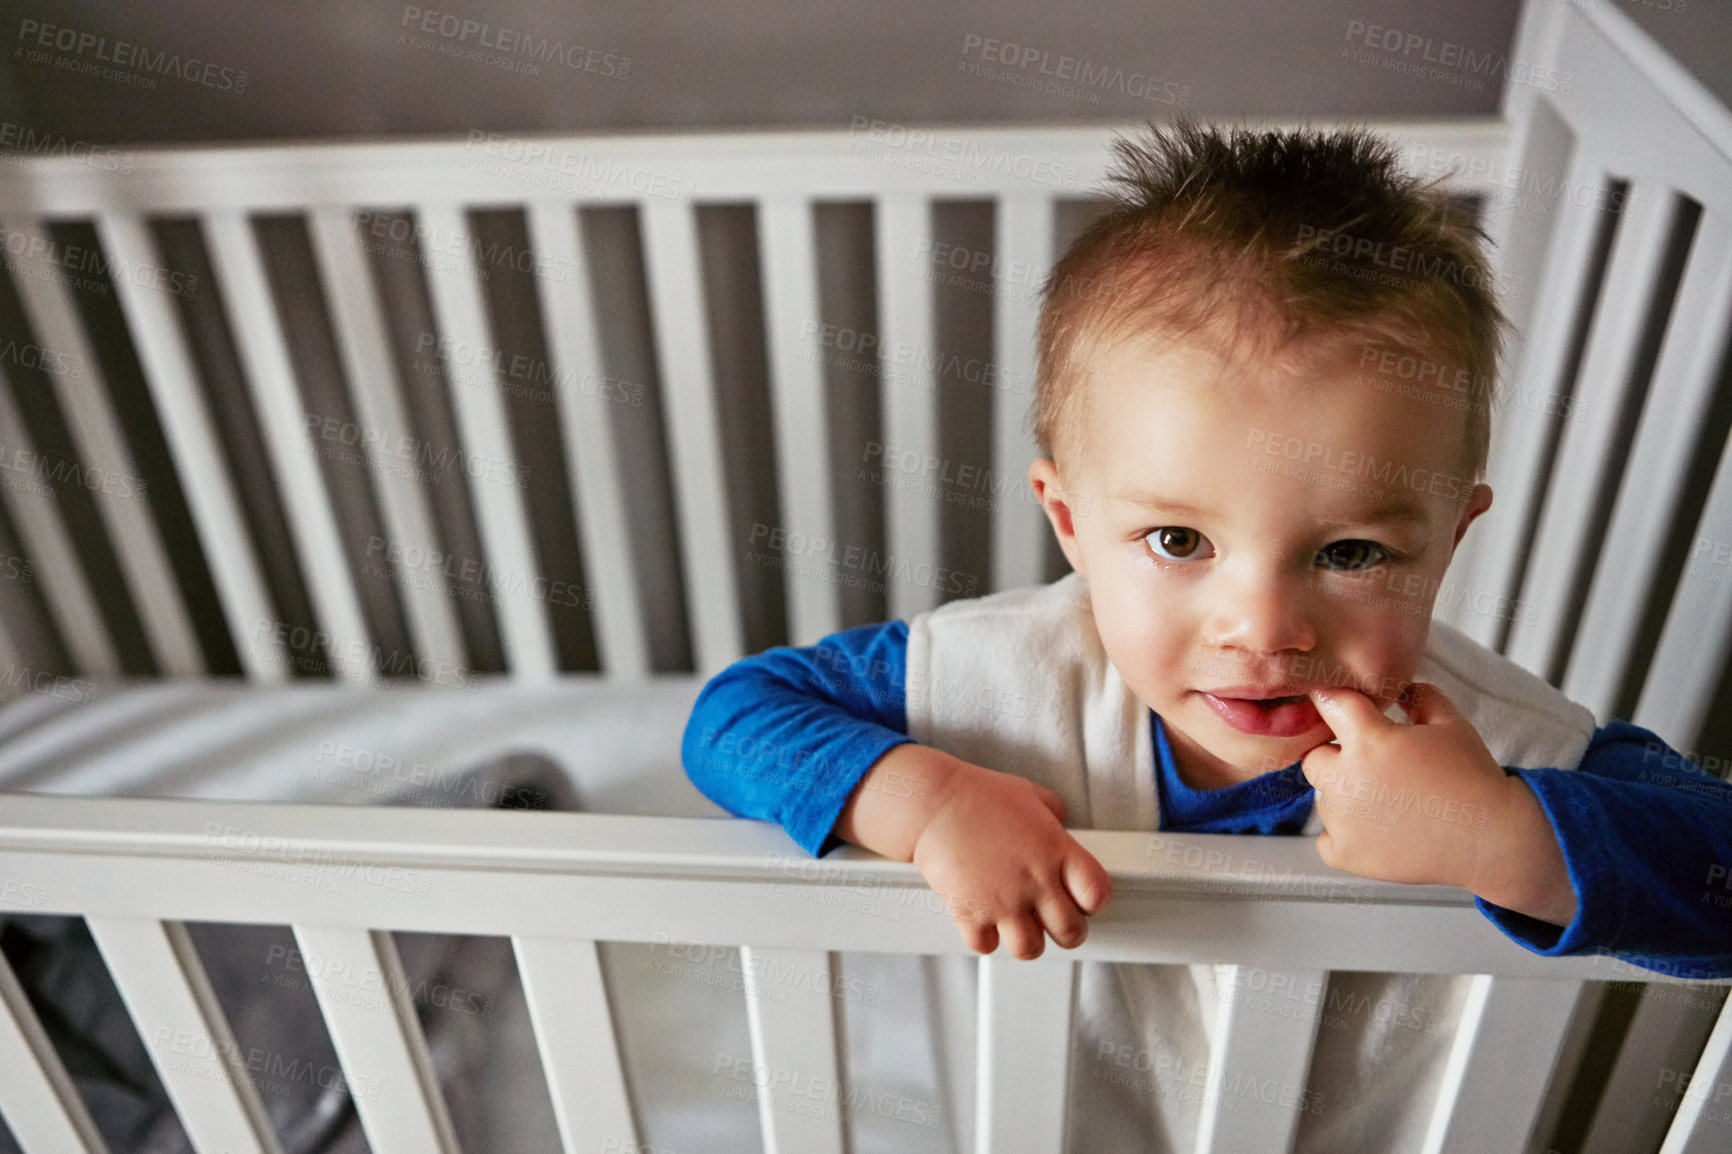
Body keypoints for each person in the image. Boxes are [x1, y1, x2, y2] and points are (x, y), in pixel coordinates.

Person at [682, 118, 1732, 1150]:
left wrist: (1505, 835)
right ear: (1070, 523)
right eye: (1179, 538)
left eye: (1352, 552)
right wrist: (928, 800)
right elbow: (732, 714)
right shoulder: (999, 678)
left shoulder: (1505, 751)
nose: (1265, 626)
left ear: (1449, 536)